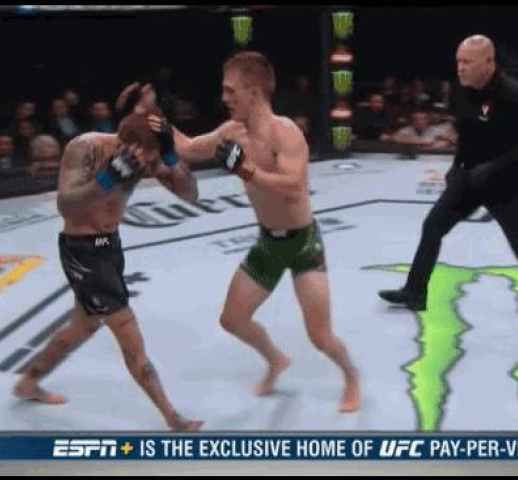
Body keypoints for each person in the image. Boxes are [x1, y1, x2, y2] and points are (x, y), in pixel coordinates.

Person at [152, 51, 361, 412]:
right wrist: (157, 124)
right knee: (232, 320)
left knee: (320, 336)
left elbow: (293, 187)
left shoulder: (286, 133)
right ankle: (276, 359)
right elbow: (191, 149)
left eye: (230, 90)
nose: (224, 98)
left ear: (253, 92)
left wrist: (246, 170)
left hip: (303, 244)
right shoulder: (231, 132)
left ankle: (351, 377)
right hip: (268, 243)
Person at [13, 103, 203, 431]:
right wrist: (109, 177)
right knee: (131, 339)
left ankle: (27, 383)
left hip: (110, 247)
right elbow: (66, 204)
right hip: (83, 252)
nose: (151, 166)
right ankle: (172, 417)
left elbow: (190, 194)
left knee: (82, 326)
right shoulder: (85, 148)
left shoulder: (147, 158)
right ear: (129, 146)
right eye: (150, 158)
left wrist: (171, 156)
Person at [378, 35, 518, 334]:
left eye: (467, 62)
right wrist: (456, 166)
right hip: (471, 177)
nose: (461, 68)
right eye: (459, 61)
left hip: (511, 185)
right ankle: (415, 291)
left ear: (488, 63)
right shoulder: (462, 89)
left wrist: (491, 168)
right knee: (433, 226)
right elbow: (466, 131)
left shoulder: (513, 95)